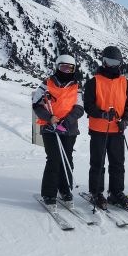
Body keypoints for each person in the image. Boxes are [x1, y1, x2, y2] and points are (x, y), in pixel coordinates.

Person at [83, 46, 128, 210]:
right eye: (108, 61)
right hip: (98, 130)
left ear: (120, 63)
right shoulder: (94, 82)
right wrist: (102, 114)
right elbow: (88, 105)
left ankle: (116, 192)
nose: (111, 65)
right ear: (103, 61)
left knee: (118, 163)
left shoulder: (125, 83)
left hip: (117, 130)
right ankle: (96, 192)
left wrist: (125, 120)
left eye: (115, 62)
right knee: (98, 163)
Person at [32, 54, 84, 207]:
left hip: (69, 128)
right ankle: (49, 193)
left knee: (67, 159)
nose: (66, 71)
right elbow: (36, 105)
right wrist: (50, 118)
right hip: (50, 128)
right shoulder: (47, 84)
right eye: (63, 67)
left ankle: (65, 190)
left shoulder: (76, 86)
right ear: (57, 67)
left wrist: (66, 121)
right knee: (54, 160)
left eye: (70, 68)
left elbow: (79, 108)